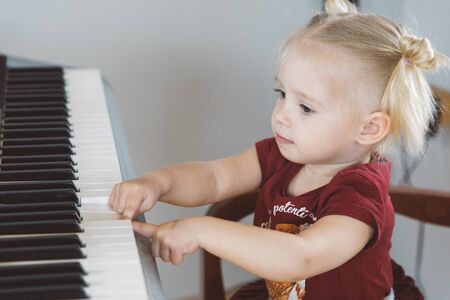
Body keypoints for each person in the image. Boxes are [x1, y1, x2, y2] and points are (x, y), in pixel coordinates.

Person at [108, 0, 448, 299]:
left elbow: (302, 257)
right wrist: (157, 184)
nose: (282, 116)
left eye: (306, 108)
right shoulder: (283, 155)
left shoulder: (360, 195)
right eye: (282, 94)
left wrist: (199, 230)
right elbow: (215, 178)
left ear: (368, 128)